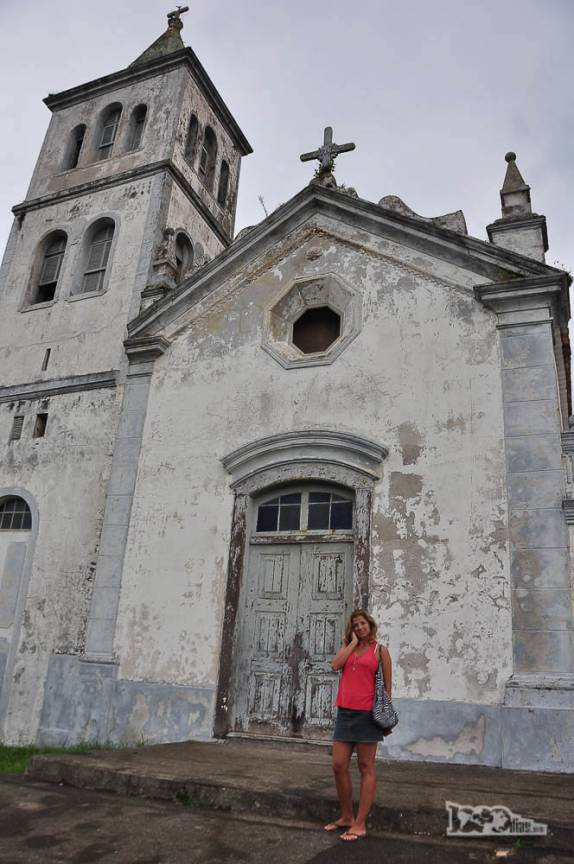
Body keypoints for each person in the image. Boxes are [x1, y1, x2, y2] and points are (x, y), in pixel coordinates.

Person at [324, 609, 392, 842]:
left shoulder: (380, 651)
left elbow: (387, 689)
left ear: (370, 625)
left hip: (367, 716)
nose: (360, 627)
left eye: (363, 624)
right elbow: (335, 665)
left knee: (366, 766)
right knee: (338, 765)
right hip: (345, 712)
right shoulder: (349, 648)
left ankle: (360, 823)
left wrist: (385, 720)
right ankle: (346, 817)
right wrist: (352, 643)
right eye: (356, 625)